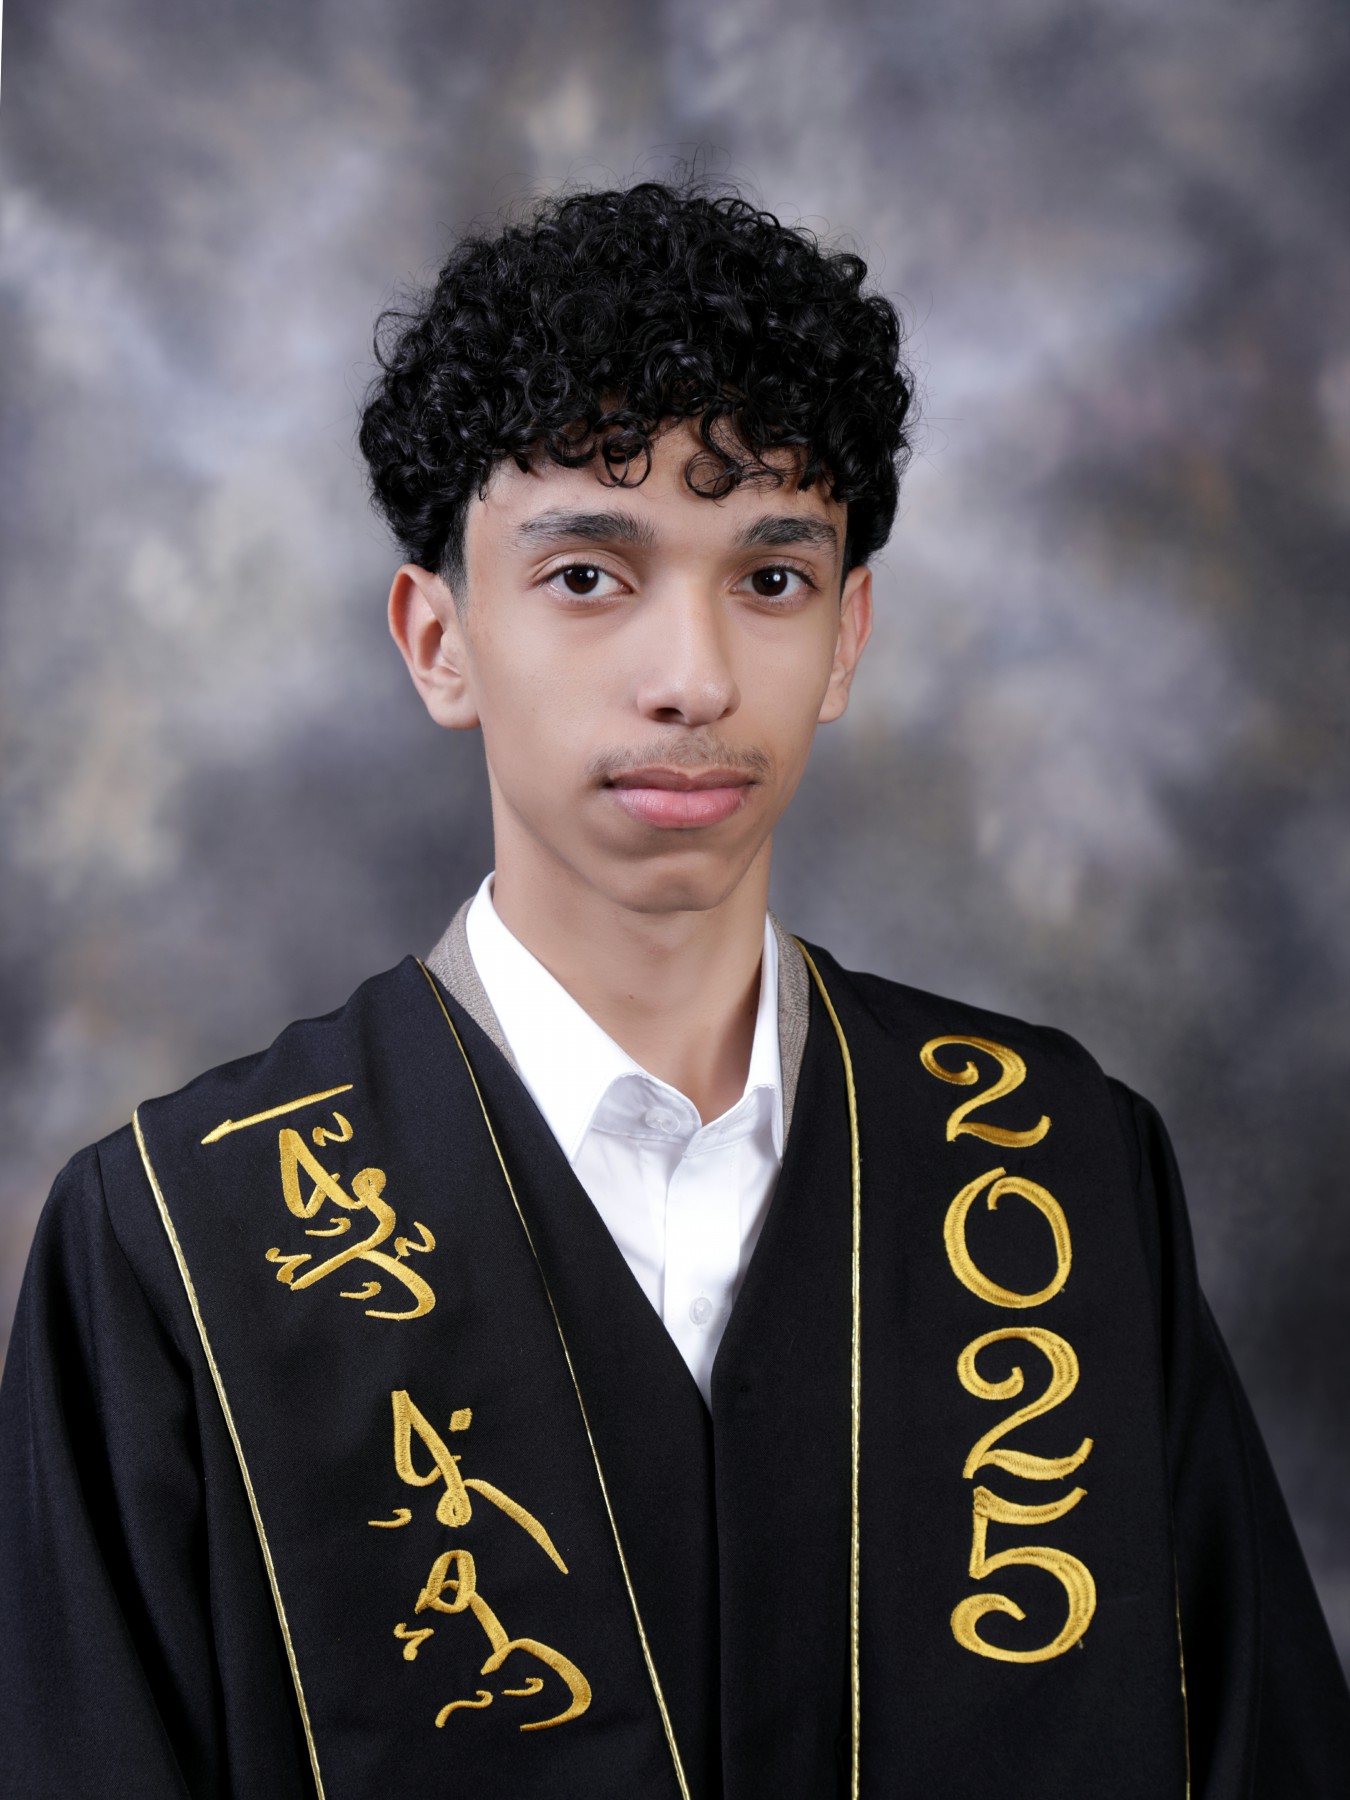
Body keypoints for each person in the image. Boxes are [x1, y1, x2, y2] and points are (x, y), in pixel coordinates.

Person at [1, 179, 1346, 1800]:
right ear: (437, 640)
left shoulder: (1059, 1177)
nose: (693, 678)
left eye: (769, 581)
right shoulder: (178, 1248)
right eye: (587, 575)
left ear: (845, 636)